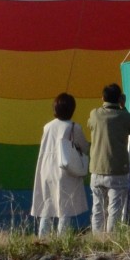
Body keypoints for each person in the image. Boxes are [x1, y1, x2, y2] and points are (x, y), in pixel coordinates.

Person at [32, 93, 88, 233]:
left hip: (45, 169)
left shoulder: (47, 127)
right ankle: (62, 239)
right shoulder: (74, 127)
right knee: (65, 208)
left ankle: (42, 238)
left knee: (47, 205)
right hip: (64, 170)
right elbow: (85, 148)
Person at [88, 84, 130, 233]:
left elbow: (90, 125)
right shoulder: (124, 116)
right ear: (120, 99)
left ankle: (97, 239)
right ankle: (111, 240)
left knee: (98, 208)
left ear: (102, 98)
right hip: (117, 170)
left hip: (97, 168)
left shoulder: (95, 114)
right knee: (114, 210)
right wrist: (124, 106)